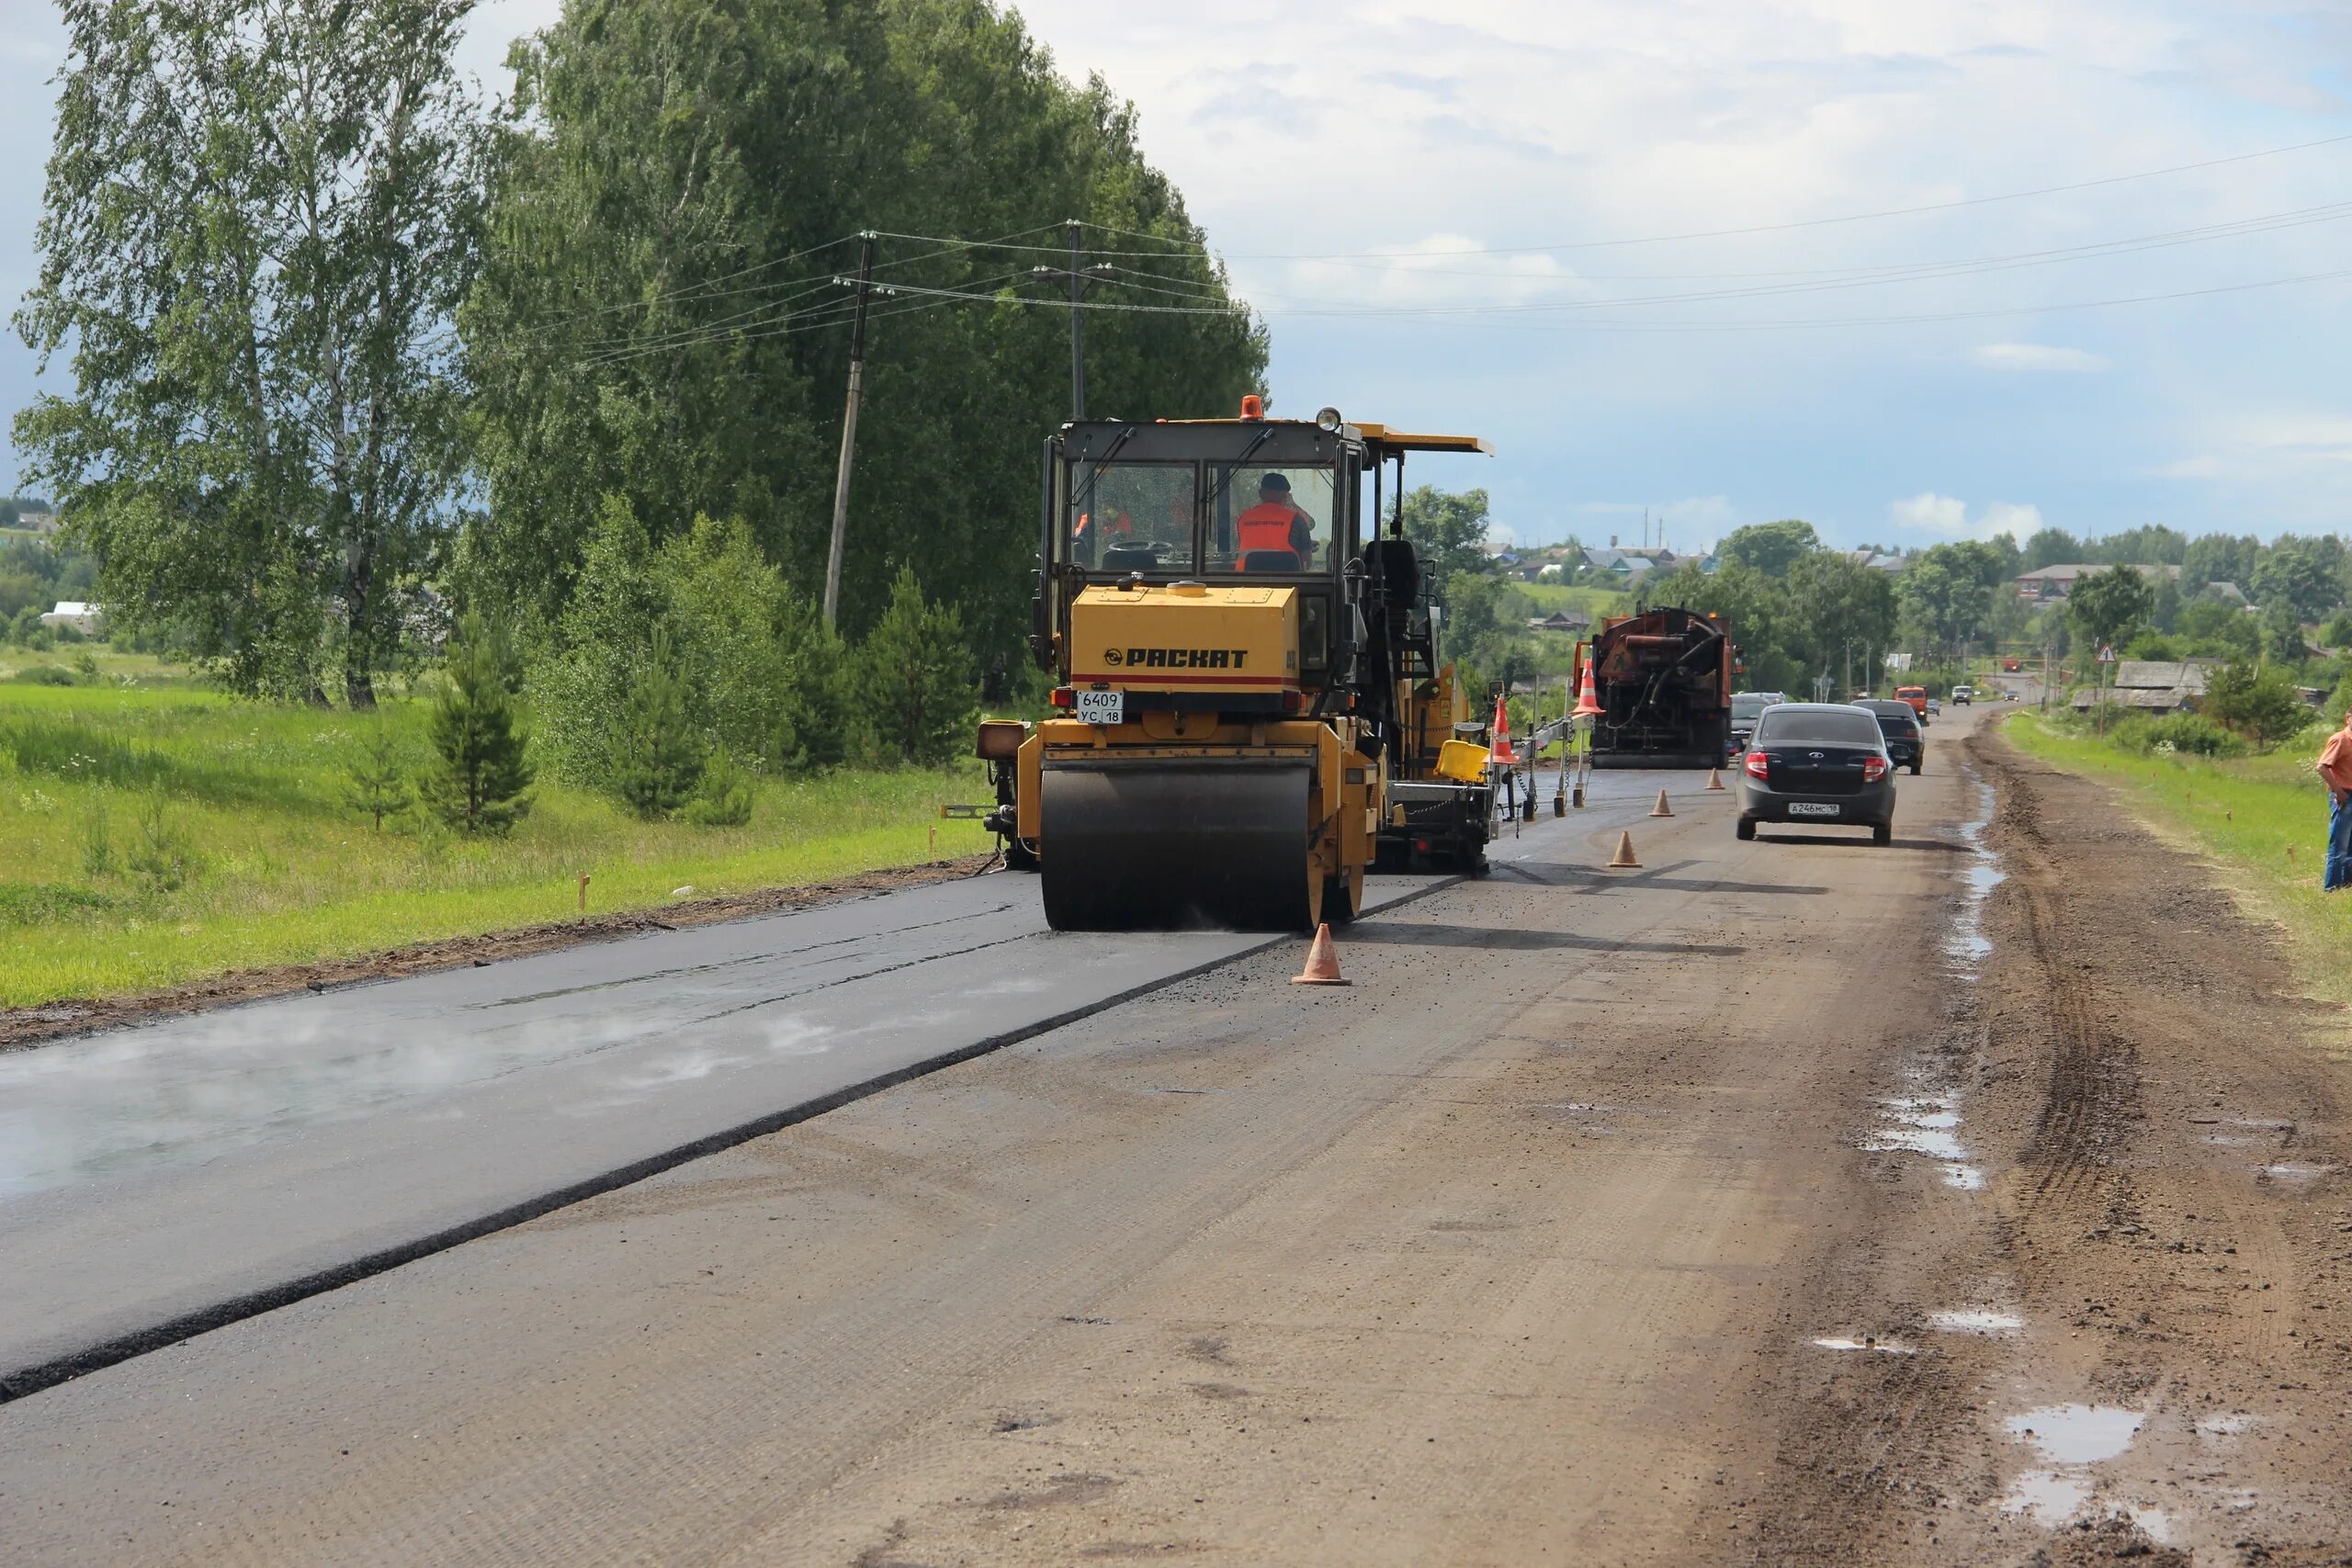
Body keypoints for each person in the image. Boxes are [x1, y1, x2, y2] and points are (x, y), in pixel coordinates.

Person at [1234, 474, 1316, 569]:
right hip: (1286, 581)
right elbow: (1306, 563)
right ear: (1285, 495)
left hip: (1245, 581)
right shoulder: (1296, 519)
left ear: (1260, 493)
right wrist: (1305, 545)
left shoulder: (1243, 518)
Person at [2318, 708, 2352, 891]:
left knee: (2350, 847)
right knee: (2339, 845)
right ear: (2348, 718)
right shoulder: (2340, 739)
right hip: (2344, 796)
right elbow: (2322, 767)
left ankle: (2346, 886)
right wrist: (2338, 792)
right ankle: (2331, 888)